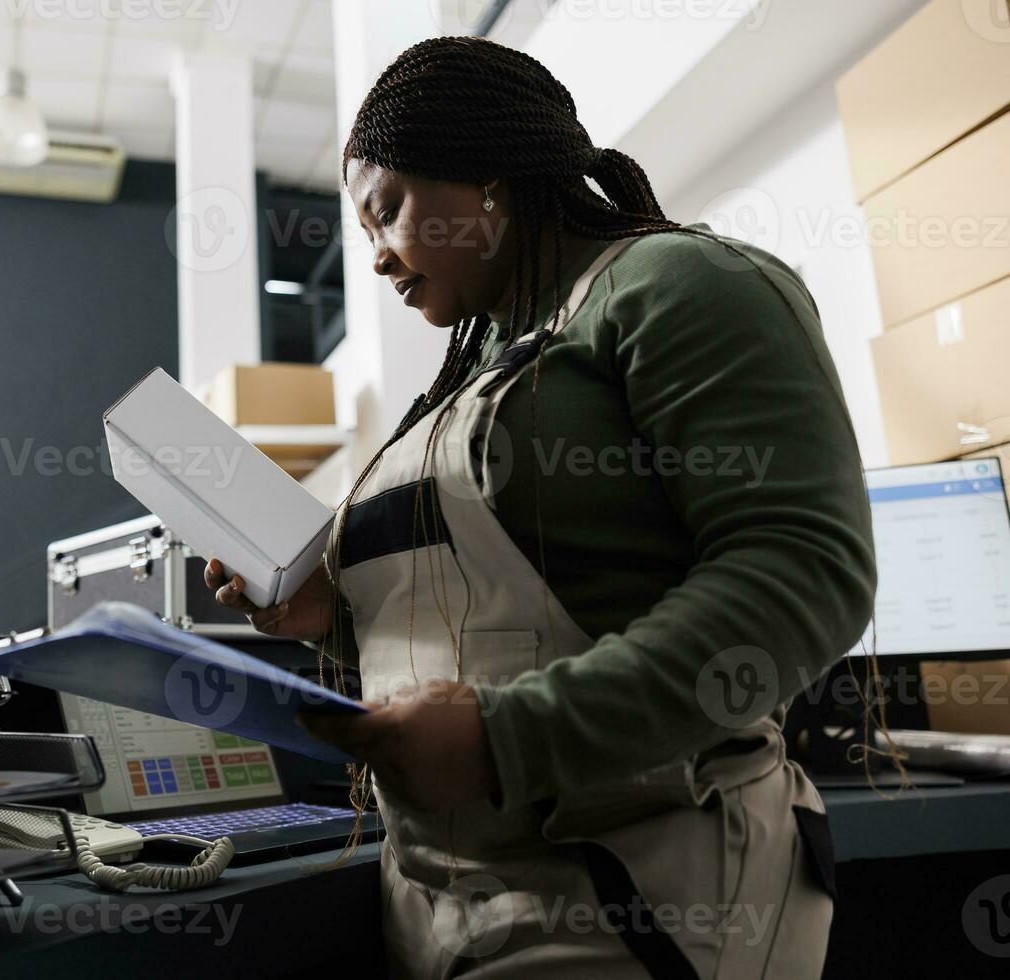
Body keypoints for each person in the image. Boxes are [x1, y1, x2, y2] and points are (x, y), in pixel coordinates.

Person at [205, 36, 874, 979]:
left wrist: (508, 738)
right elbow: (492, 624)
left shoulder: (682, 285)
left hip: (649, 889)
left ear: (485, 171)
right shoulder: (468, 379)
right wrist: (331, 622)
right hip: (438, 900)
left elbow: (806, 575)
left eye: (387, 210)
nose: (382, 261)